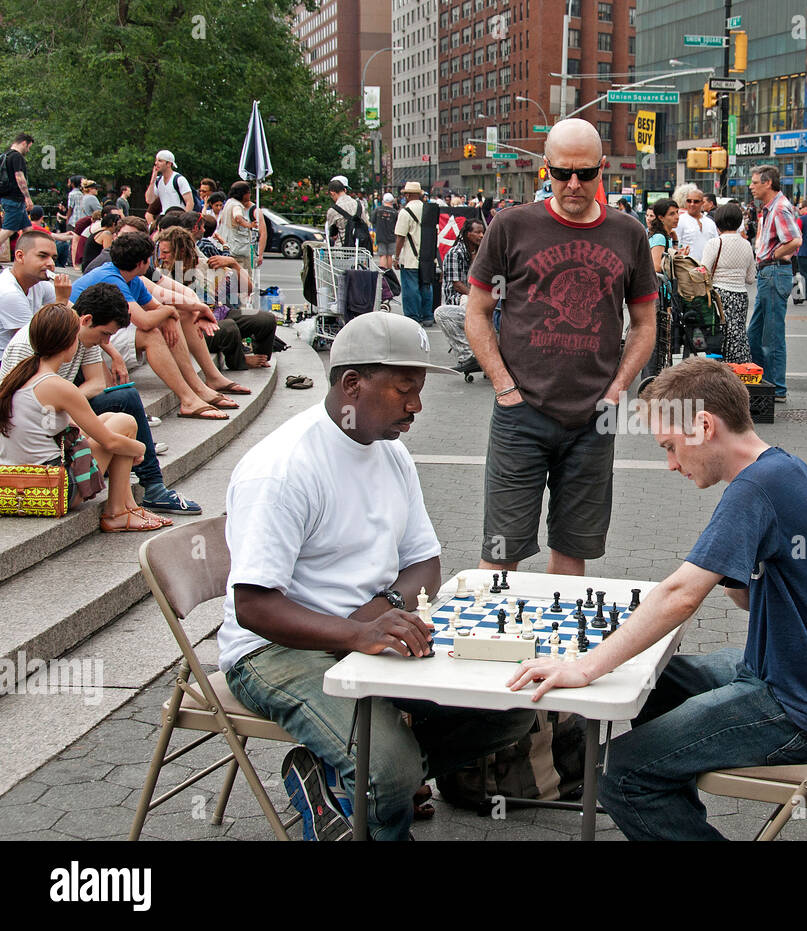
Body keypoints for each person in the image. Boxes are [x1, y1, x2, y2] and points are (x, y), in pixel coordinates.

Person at [507, 358, 807, 841]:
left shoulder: (756, 488)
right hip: (792, 673)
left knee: (621, 774)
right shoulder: (784, 467)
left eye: (670, 447)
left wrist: (585, 665)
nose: (670, 464)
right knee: (651, 680)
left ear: (704, 425)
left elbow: (679, 597)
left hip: (795, 706)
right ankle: (672, 788)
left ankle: (658, 794)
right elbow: (748, 600)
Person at [219, 312, 534, 841]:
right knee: (390, 770)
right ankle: (378, 793)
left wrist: (381, 608)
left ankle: (344, 783)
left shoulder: (391, 452)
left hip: (362, 632)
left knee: (509, 709)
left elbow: (425, 563)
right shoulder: (282, 469)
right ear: (352, 384)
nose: (416, 405)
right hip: (271, 650)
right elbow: (253, 606)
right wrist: (353, 631)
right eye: (404, 390)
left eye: (419, 390)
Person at [464, 118, 657, 576]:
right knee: (500, 550)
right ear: (545, 169)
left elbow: (645, 323)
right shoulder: (512, 226)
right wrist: (503, 384)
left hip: (594, 418)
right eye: (562, 172)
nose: (574, 183)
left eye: (586, 173)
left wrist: (618, 389)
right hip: (521, 413)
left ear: (602, 170)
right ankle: (492, 639)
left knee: (575, 550)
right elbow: (476, 311)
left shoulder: (627, 233)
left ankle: (561, 648)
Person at [1, 281, 199, 515]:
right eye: (105, 334)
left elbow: (95, 384)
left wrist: (67, 411)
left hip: (16, 478)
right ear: (74, 333)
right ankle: (124, 508)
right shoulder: (55, 382)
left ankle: (130, 506)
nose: (106, 343)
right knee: (124, 427)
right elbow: (111, 442)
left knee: (118, 414)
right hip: (54, 486)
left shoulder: (30, 371)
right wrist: (139, 448)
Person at [69, 231, 235, 422]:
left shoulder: (131, 278)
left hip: (101, 336)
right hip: (87, 341)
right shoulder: (112, 278)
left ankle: (198, 386)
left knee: (178, 315)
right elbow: (145, 321)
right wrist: (169, 312)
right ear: (142, 262)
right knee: (152, 333)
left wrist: (172, 314)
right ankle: (188, 398)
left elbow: (157, 306)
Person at [156, 226, 274, 373]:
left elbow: (247, 289)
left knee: (266, 319)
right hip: (193, 325)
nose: (161, 257)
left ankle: (261, 358)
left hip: (217, 313)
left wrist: (233, 263)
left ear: (180, 251)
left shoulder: (203, 264)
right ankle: (240, 361)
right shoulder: (161, 275)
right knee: (228, 327)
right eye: (161, 252)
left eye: (165, 252)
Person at [747, 165, 802, 403]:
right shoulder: (772, 208)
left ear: (768, 183)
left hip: (773, 272)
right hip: (768, 273)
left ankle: (776, 387)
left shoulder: (779, 208)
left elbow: (794, 240)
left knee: (772, 336)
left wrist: (775, 254)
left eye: (755, 182)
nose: (751, 186)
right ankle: (764, 383)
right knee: (755, 334)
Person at [699, 203, 755, 364]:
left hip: (719, 295)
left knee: (720, 335)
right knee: (737, 333)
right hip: (741, 295)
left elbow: (705, 271)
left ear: (718, 222)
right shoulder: (746, 245)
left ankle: (720, 368)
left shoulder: (714, 243)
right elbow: (751, 278)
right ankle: (740, 365)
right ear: (739, 222)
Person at [0, 230, 68, 354]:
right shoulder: (9, 292)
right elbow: (37, 343)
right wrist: (61, 301)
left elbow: (77, 314)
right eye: (43, 256)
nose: (51, 264)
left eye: (53, 258)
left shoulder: (39, 283)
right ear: (20, 256)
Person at [434, 217, 485, 374]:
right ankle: (468, 356)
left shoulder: (479, 251)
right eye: (478, 232)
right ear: (468, 234)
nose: (482, 235)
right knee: (472, 308)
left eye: (483, 232)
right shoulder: (456, 253)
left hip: (475, 294)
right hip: (459, 296)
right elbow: (457, 284)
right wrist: (477, 297)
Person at [393, 181, 434, 327]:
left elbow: (400, 237)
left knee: (411, 288)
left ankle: (413, 316)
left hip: (410, 257)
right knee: (426, 286)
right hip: (428, 258)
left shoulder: (405, 212)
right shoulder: (429, 210)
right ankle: (427, 315)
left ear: (408, 195)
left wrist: (396, 257)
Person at [0, 133, 35, 259]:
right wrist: (27, 197)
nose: (28, 150)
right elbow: (19, 177)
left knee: (28, 229)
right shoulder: (17, 157)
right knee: (8, 230)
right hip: (14, 199)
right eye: (28, 147)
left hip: (7, 197)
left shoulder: (5, 155)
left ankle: (30, 256)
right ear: (24, 143)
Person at [217, 181, 265, 274]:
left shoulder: (228, 203)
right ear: (243, 194)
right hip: (238, 250)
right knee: (244, 279)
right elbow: (238, 217)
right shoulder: (237, 206)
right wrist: (249, 225)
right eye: (249, 192)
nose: (250, 195)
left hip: (227, 246)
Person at [673, 183, 718, 262]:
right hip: (686, 267)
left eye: (696, 201)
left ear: (702, 203)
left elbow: (716, 245)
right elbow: (675, 245)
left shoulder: (710, 223)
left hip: (707, 268)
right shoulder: (680, 221)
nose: (692, 204)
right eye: (689, 201)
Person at [144, 150, 194, 215]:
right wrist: (152, 181)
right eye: (156, 160)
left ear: (169, 164)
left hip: (178, 216)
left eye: (160, 161)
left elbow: (190, 202)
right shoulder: (158, 180)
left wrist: (183, 220)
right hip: (165, 217)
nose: (156, 163)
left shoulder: (179, 179)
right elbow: (149, 200)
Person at [647, 198, 678, 274]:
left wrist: (675, 240)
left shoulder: (665, 236)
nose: (677, 217)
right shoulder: (659, 237)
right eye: (672, 214)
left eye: (677, 212)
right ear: (661, 218)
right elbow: (656, 267)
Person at [373, 192, 399, 270]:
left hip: (380, 235)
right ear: (392, 201)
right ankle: (389, 274)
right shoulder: (394, 212)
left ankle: (383, 273)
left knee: (382, 255)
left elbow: (373, 220)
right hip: (391, 235)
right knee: (389, 255)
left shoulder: (378, 210)